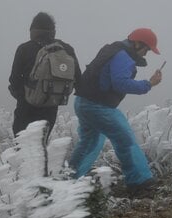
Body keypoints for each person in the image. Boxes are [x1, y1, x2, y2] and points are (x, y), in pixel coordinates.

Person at [69, 28, 163, 196]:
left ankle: (69, 179)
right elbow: (120, 83)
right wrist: (148, 84)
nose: (146, 54)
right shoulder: (123, 56)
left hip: (83, 102)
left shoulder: (113, 50)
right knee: (125, 139)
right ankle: (140, 183)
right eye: (146, 49)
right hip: (98, 106)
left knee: (90, 143)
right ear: (137, 43)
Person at [8, 12, 81, 138]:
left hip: (26, 107)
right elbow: (78, 78)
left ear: (33, 30)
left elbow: (14, 80)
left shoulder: (24, 49)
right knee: (41, 145)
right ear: (53, 30)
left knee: (22, 146)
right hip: (51, 106)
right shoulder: (66, 49)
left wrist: (24, 96)